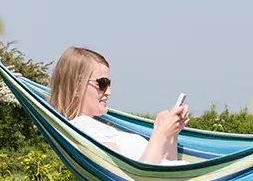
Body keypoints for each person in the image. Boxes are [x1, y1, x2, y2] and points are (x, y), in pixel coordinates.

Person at [49, 46, 190, 164]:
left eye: (109, 84)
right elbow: (140, 180)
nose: (109, 92)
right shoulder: (82, 132)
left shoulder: (100, 126)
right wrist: (160, 133)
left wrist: (171, 135)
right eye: (102, 84)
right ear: (77, 87)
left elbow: (168, 168)